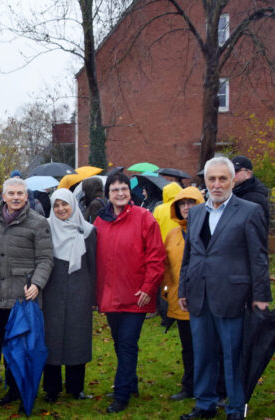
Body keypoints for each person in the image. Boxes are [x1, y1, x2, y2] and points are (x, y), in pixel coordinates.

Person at [178, 157, 271, 420]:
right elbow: (190, 254)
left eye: (222, 179)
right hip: (199, 295)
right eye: (212, 179)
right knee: (203, 353)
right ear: (205, 182)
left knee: (233, 355)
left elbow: (259, 257)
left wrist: (261, 296)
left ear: (232, 180)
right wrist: (183, 288)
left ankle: (234, 408)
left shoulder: (249, 211)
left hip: (234, 296)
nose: (217, 184)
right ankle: (205, 404)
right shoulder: (196, 212)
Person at [93, 172, 166, 413]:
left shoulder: (144, 218)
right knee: (120, 344)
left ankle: (121, 394)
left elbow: (156, 256)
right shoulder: (100, 222)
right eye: (114, 190)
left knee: (126, 343)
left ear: (129, 191)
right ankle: (131, 382)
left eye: (123, 188)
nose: (120, 193)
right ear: (108, 194)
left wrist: (148, 287)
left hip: (136, 295)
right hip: (111, 294)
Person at [0, 177, 54, 408]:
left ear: (27, 197)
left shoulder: (38, 222)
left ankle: (24, 388)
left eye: (20, 193)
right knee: (6, 346)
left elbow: (46, 258)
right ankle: (11, 389)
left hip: (24, 296)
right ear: (4, 196)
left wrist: (37, 283)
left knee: (24, 347)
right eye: (11, 193)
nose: (15, 197)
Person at [41, 189, 96, 402]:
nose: (61, 209)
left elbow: (93, 265)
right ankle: (51, 389)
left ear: (73, 204)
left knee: (77, 338)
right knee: (51, 339)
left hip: (79, 291)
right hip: (52, 291)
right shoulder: (46, 229)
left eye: (65, 204)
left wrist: (92, 296)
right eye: (56, 205)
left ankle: (76, 388)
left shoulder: (88, 232)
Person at [161, 186, 205, 402]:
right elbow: (167, 268)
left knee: (209, 346)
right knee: (188, 347)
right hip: (181, 301)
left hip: (207, 300)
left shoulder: (210, 230)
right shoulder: (172, 235)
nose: (186, 207)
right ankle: (189, 386)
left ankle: (213, 387)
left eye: (191, 202)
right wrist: (167, 291)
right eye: (182, 203)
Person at [231, 155, 270, 228]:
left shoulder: (255, 198)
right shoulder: (234, 192)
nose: (232, 175)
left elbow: (258, 230)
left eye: (236, 171)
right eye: (230, 171)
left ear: (248, 174)